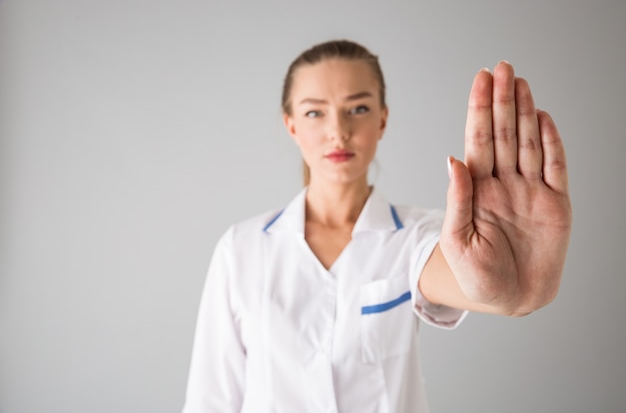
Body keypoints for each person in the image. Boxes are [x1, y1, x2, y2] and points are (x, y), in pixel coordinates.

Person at [181, 40, 572, 413]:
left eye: (359, 108)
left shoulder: (422, 235)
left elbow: (462, 276)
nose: (338, 130)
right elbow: (209, 402)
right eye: (315, 112)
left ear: (382, 119)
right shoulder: (241, 249)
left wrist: (514, 294)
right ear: (291, 125)